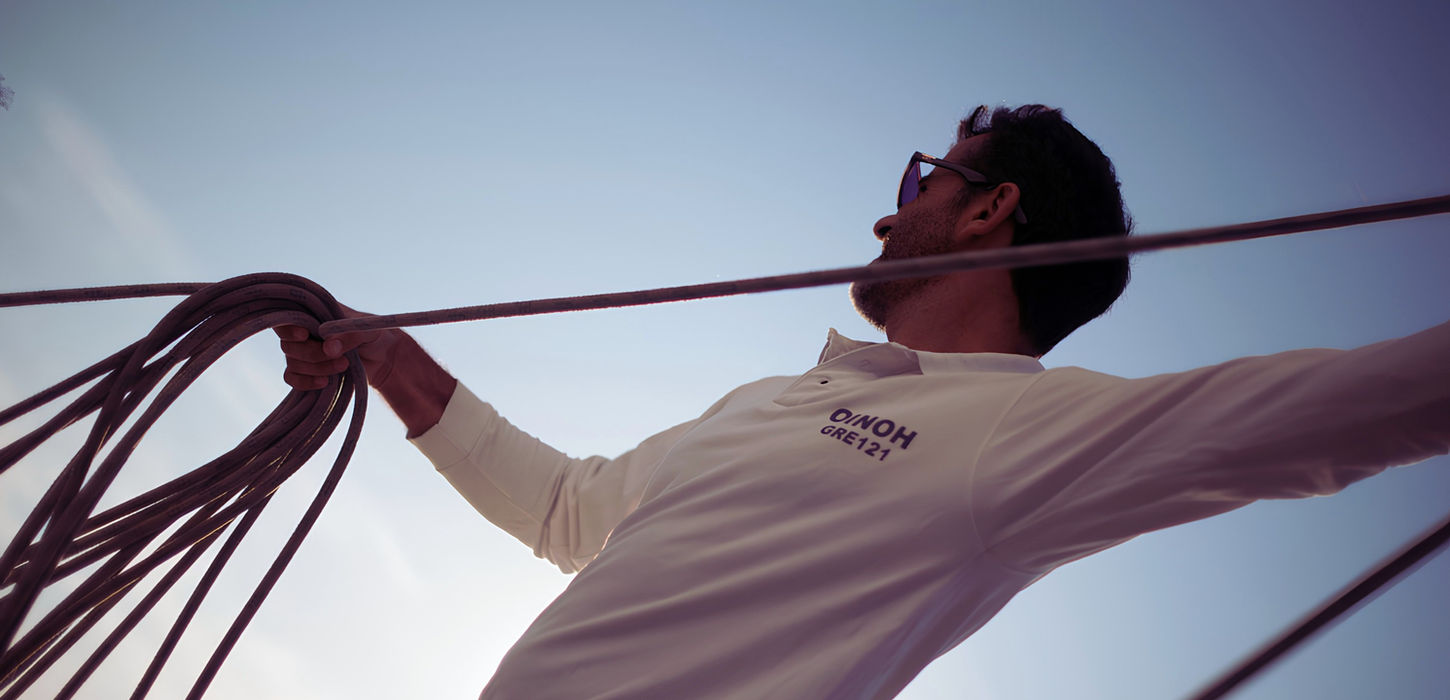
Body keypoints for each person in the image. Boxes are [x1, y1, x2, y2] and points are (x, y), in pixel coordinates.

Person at [276, 105, 1450, 699]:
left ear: (991, 212)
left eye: (923, 179)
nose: (889, 214)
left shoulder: (1021, 435)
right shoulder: (771, 398)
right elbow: (572, 514)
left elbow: (1356, 405)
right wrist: (394, 360)